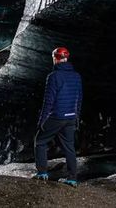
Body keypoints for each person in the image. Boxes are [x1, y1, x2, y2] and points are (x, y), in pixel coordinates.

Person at [33, 47, 83, 187]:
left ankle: (42, 173)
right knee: (69, 147)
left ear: (55, 58)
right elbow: (79, 100)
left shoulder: (53, 76)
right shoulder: (77, 76)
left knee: (40, 141)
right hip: (71, 118)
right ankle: (72, 179)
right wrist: (76, 118)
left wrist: (42, 121)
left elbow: (48, 101)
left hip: (57, 116)